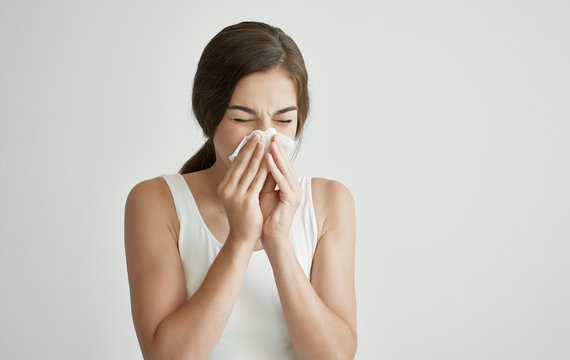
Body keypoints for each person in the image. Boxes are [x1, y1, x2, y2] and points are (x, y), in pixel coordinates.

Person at [124, 21, 357, 360]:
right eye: (242, 119)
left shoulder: (330, 202)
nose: (265, 138)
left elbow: (334, 357)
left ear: (299, 120)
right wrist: (240, 241)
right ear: (210, 117)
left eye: (283, 120)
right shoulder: (156, 202)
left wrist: (277, 240)